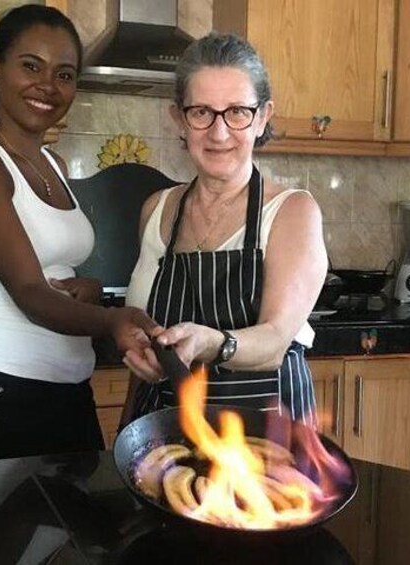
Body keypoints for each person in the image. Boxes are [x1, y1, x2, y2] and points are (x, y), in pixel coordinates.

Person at [0, 5, 160, 462]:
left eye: (65, 74)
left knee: (78, 534)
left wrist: (92, 288)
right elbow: (30, 291)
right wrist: (114, 321)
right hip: (2, 394)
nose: (48, 87)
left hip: (69, 390)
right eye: (31, 66)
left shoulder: (52, 164)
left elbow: (55, 268)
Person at [122, 32, 328, 426]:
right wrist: (144, 357)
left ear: (263, 116)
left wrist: (210, 343)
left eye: (237, 112)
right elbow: (144, 329)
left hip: (267, 439)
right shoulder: (157, 210)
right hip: (163, 432)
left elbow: (275, 340)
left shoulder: (292, 212)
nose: (219, 133)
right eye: (201, 112)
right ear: (179, 118)